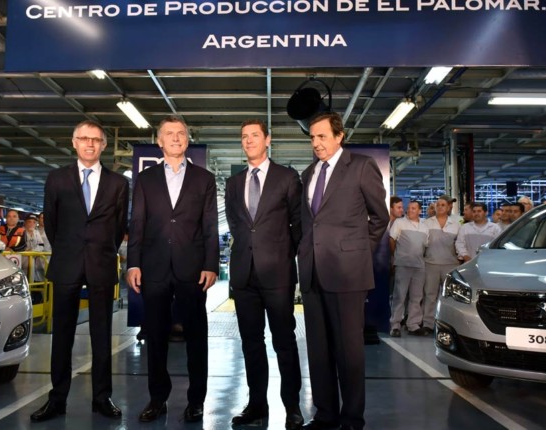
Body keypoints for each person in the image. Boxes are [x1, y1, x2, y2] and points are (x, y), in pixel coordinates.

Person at [30, 120, 129, 422]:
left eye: (96, 139)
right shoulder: (57, 179)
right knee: (62, 334)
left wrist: (101, 250)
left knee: (102, 334)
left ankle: (102, 398)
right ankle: (57, 399)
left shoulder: (118, 183)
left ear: (104, 145)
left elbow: (119, 227)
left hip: (101, 263)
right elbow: (51, 223)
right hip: (66, 263)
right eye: (84, 138)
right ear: (73, 142)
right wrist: (69, 248)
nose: (90, 144)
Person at [297, 113, 388, 430]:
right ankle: (325, 415)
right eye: (312, 137)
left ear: (339, 136)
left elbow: (380, 217)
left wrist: (358, 251)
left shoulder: (361, 166)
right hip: (312, 272)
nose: (316, 143)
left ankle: (351, 418)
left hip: (347, 273)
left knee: (349, 352)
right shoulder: (308, 173)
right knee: (318, 350)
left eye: (322, 136)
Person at [127, 115, 219, 423]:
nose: (176, 137)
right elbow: (137, 222)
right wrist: (134, 262)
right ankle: (157, 398)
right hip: (153, 267)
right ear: (159, 141)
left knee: (196, 335)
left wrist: (211, 264)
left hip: (192, 268)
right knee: (156, 336)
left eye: (181, 133)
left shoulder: (204, 179)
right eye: (170, 133)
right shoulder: (146, 179)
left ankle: (196, 400)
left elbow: (209, 225)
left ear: (187, 140)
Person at [225, 119, 303, 429]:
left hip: (278, 274)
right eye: (244, 136)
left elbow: (298, 223)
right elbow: (236, 224)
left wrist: (284, 255)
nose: (249, 140)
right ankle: (257, 405)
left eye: (254, 135)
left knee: (284, 341)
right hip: (244, 275)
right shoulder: (234, 183)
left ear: (267, 140)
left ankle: (292, 406)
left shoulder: (287, 177)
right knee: (251, 343)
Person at [388, 201, 429, 337]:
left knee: (417, 297)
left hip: (419, 266)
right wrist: (396, 257)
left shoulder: (424, 227)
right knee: (399, 295)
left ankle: (413, 325)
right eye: (409, 208)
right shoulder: (399, 223)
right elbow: (392, 240)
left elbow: (425, 246)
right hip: (403, 264)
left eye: (413, 208)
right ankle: (395, 325)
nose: (409, 210)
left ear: (419, 211)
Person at [422, 197, 460, 335]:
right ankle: (428, 324)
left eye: (443, 205)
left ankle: (450, 324)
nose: (440, 207)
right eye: (438, 204)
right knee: (429, 295)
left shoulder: (456, 224)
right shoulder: (426, 223)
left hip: (450, 264)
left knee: (450, 296)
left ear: (449, 207)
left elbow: (460, 244)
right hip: (430, 263)